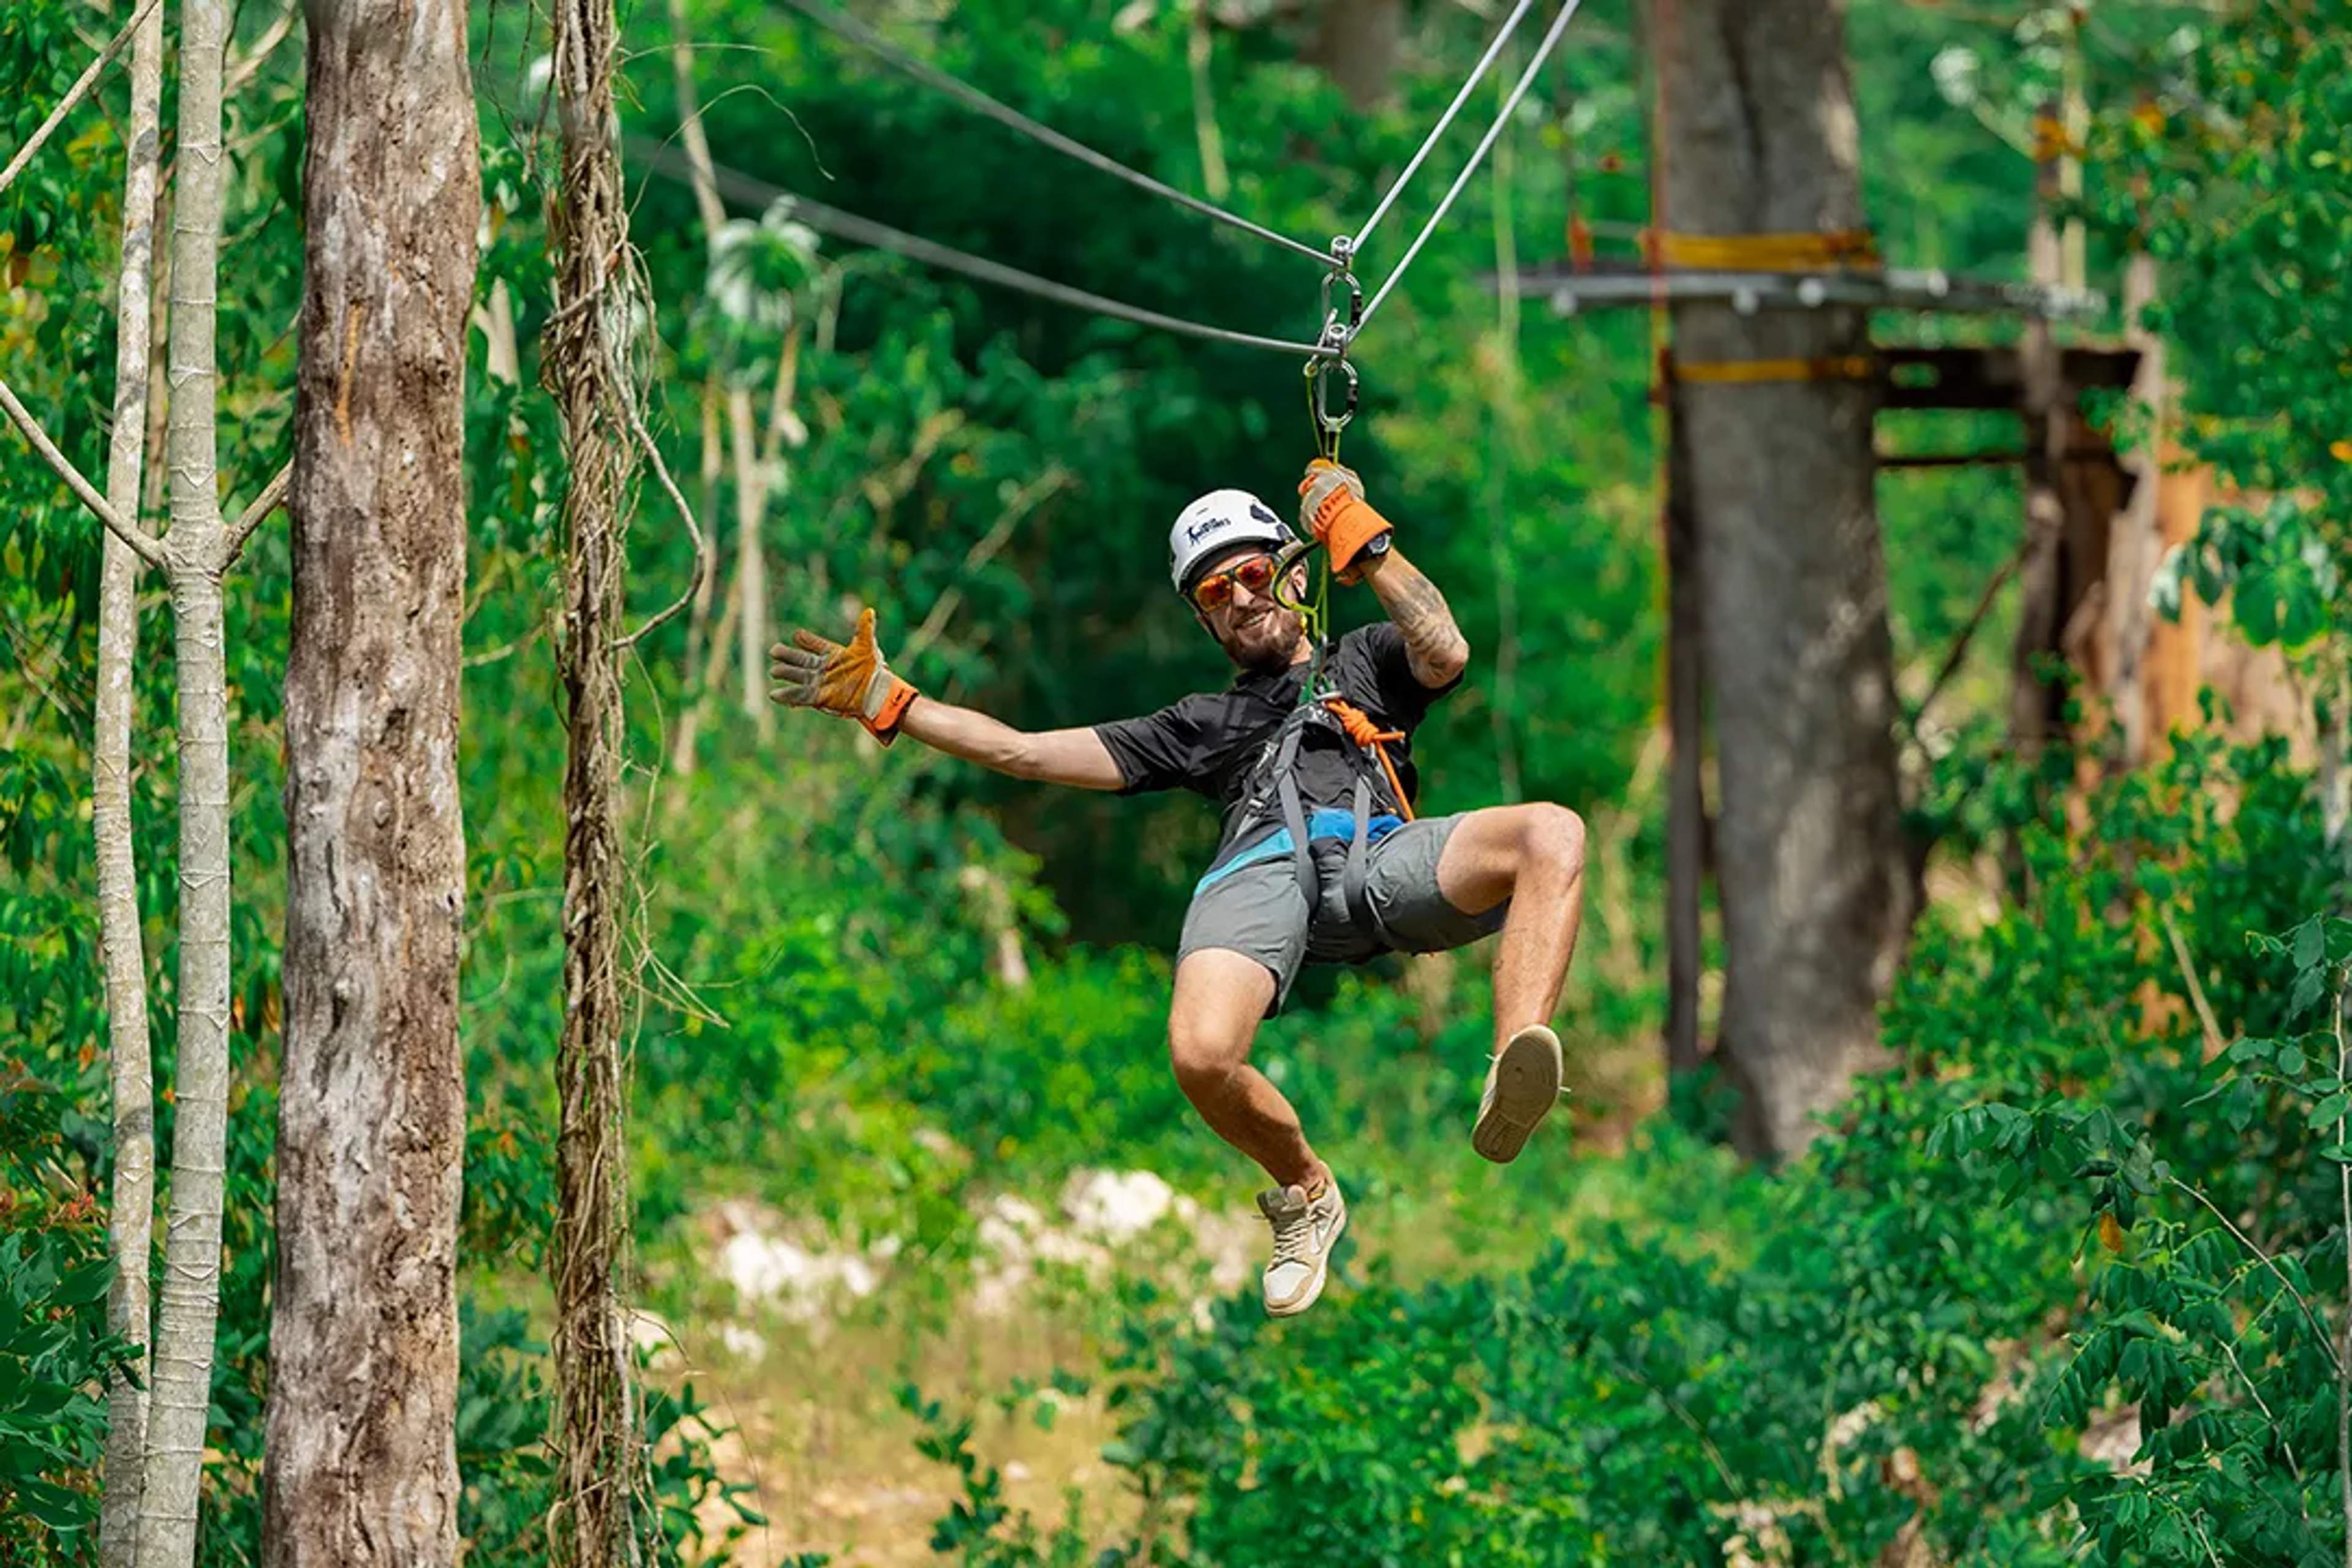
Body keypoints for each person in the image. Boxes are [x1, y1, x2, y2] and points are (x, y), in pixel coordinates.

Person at [770, 460, 1586, 1316]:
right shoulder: (1199, 725)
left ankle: (1513, 1064)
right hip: (1263, 868)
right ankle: (1307, 1193)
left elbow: (1445, 649)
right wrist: (892, 701)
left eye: (1251, 574)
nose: (1237, 598)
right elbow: (1024, 750)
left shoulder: (1368, 660)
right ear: (1204, 619)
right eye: (1212, 594)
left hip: (1378, 858)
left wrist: (1362, 537)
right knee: (1200, 1055)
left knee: (1552, 831)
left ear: (1293, 572)